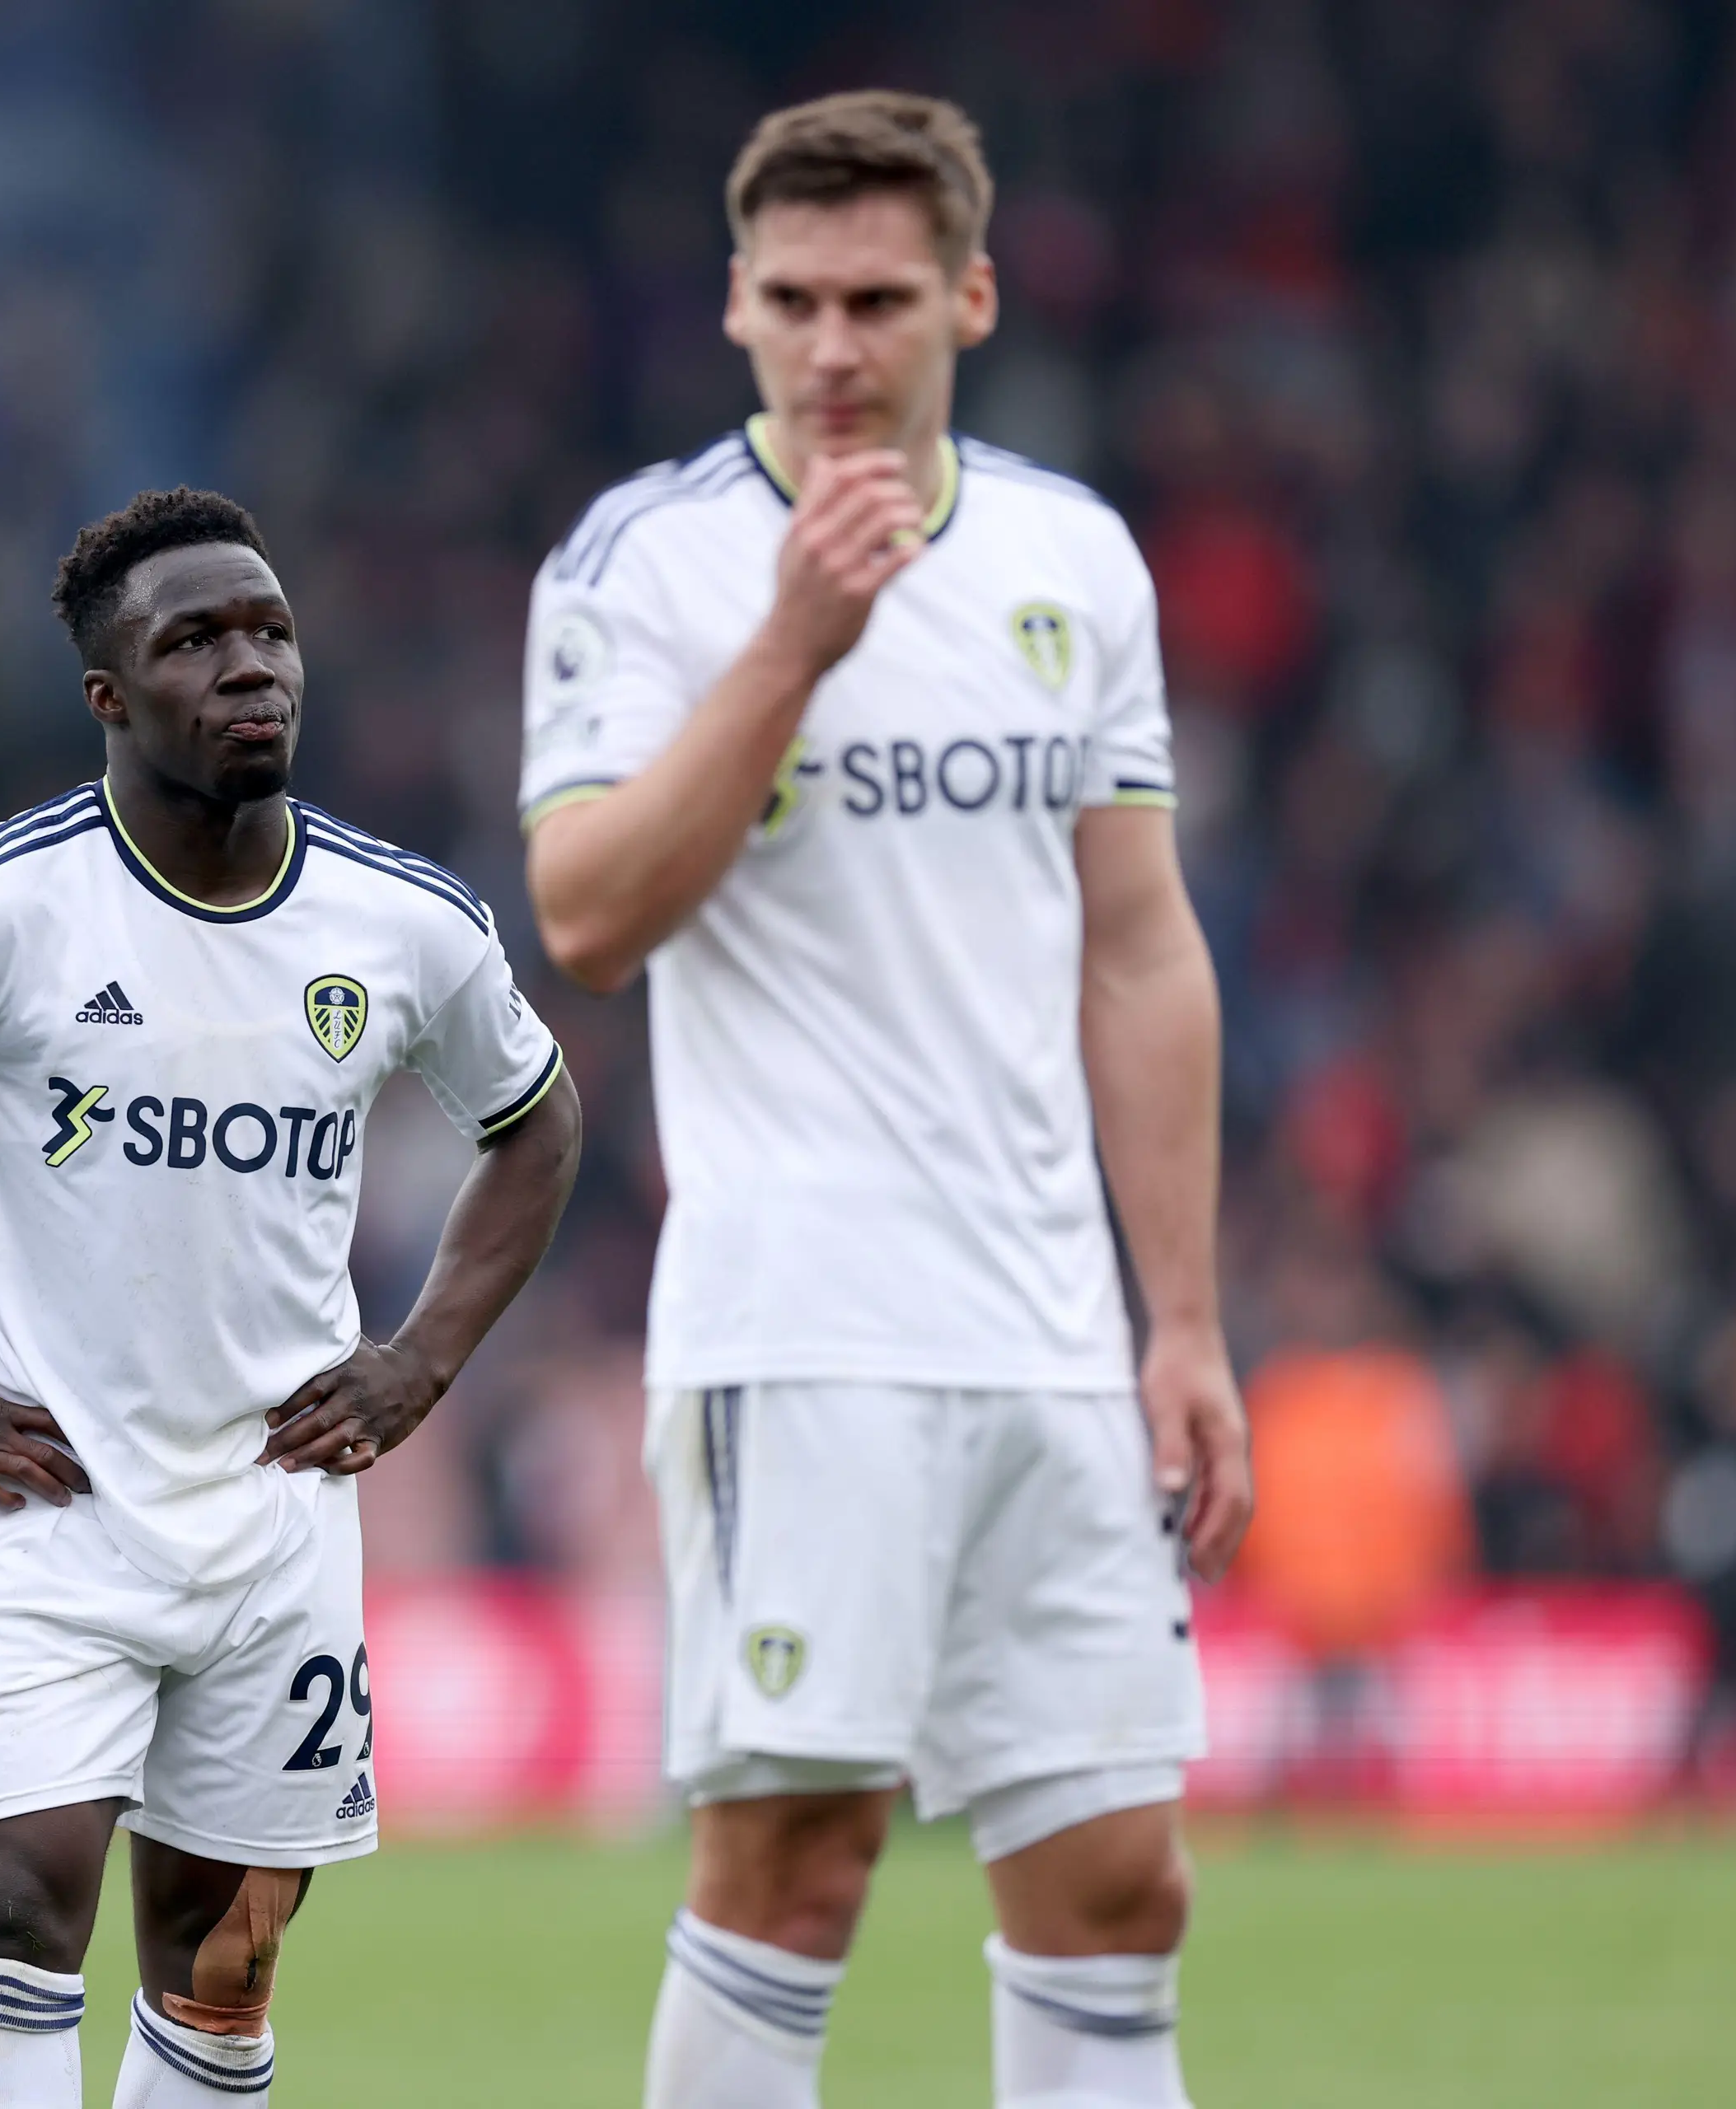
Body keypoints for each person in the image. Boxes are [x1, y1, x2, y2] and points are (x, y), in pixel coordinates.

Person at [517, 92, 1252, 2109]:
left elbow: (1138, 945)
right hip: (804, 1319)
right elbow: (585, 913)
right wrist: (794, 644)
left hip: (1046, 1329)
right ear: (734, 309)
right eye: (795, 300)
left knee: (1118, 1881)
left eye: (881, 298)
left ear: (974, 300)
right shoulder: (649, 566)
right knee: (793, 1862)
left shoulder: (1072, 559)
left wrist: (1177, 1314)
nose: (836, 344)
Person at [0, 487, 582, 2109]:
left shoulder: (405, 923)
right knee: (14, 1907)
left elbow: (535, 1122)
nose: (249, 664)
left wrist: (420, 1355)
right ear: (108, 696)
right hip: (45, 1513)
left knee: (222, 1979)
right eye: (194, 640)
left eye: (268, 630)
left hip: (280, 1529)